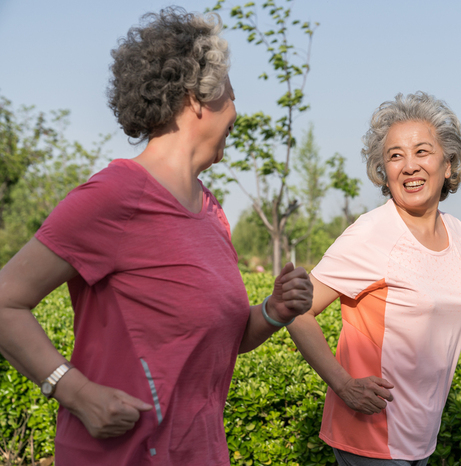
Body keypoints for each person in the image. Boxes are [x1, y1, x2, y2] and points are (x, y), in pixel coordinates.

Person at [0, 8, 312, 466]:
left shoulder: (212, 213)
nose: (236, 113)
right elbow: (5, 301)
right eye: (230, 96)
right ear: (196, 98)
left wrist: (274, 310)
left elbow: (216, 339)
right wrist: (76, 392)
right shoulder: (114, 196)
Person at [287, 92, 461, 465]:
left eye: (422, 152)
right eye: (395, 155)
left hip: (420, 435)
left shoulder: (458, 234)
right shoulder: (371, 233)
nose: (409, 166)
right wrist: (343, 385)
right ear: (384, 170)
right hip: (370, 433)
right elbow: (295, 311)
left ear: (449, 165)